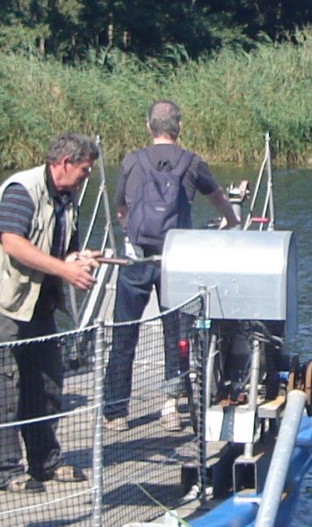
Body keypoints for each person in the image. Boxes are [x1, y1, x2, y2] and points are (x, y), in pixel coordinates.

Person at [0, 132, 100, 492]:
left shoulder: (67, 199)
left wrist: (78, 259)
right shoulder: (22, 189)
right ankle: (4, 470)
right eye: (84, 169)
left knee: (47, 381)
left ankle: (46, 462)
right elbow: (11, 242)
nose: (87, 176)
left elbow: (62, 251)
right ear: (64, 163)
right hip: (2, 299)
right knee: (2, 384)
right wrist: (64, 270)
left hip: (38, 300)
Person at [102, 100, 241, 432]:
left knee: (124, 333)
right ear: (178, 127)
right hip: (176, 259)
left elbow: (121, 207)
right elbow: (218, 197)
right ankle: (170, 407)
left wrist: (128, 226)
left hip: (136, 257)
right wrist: (231, 220)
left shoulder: (132, 161)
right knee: (176, 334)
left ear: (148, 126)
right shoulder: (192, 162)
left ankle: (116, 412)